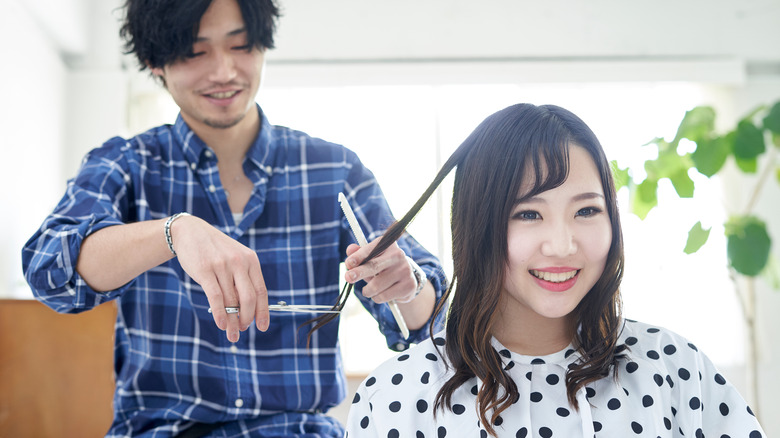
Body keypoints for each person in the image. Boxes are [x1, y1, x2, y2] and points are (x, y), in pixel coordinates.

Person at [21, 0, 447, 436]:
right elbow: (49, 272)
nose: (224, 71)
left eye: (241, 46)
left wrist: (407, 283)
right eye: (194, 51)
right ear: (155, 63)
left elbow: (429, 324)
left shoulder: (333, 169)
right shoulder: (126, 165)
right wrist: (173, 233)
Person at [344, 103, 766, 437]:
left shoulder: (675, 370)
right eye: (528, 214)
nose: (563, 245)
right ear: (477, 224)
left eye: (586, 210)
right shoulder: (393, 397)